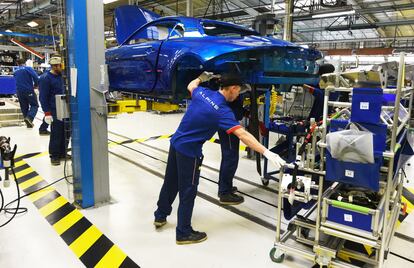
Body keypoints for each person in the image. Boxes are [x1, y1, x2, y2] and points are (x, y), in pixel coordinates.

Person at [154, 72, 285, 245]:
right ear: (233, 89)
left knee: (171, 182)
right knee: (188, 191)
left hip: (176, 143)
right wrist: (266, 152)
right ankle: (183, 233)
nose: (239, 95)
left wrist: (202, 77)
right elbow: (242, 134)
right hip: (190, 152)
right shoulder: (223, 111)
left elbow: (191, 85)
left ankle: (160, 215)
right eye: (239, 91)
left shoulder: (202, 93)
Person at [39, 56, 67, 166]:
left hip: (65, 108)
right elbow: (43, 97)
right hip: (54, 109)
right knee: (57, 133)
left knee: (66, 132)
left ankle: (63, 153)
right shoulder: (45, 78)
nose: (62, 68)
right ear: (55, 66)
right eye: (60, 66)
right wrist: (47, 113)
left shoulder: (62, 76)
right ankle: (54, 156)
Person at [217, 95, 245, 205]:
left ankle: (225, 186)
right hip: (228, 123)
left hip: (229, 120)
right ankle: (224, 193)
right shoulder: (231, 90)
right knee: (230, 158)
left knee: (227, 157)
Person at [13, 58, 43, 130]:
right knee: (34, 105)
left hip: (19, 91)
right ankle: (29, 118)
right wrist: (36, 84)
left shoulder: (15, 71)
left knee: (24, 107)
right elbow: (36, 77)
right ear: (25, 63)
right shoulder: (28, 68)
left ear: (17, 63)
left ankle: (28, 123)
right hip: (28, 90)